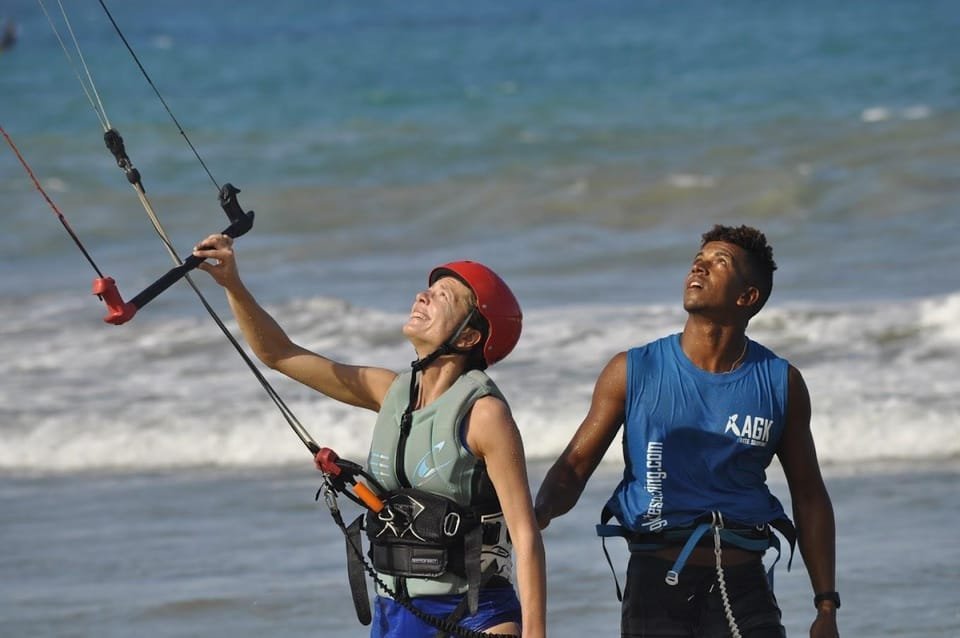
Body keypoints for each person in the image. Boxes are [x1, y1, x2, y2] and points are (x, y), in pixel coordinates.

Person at [193, 234, 546, 638]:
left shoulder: (485, 416)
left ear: (468, 337)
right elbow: (279, 354)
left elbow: (525, 535)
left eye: (443, 296)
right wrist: (232, 285)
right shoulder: (388, 390)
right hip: (394, 614)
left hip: (474, 613)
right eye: (427, 290)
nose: (422, 297)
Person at [534, 224, 838, 638]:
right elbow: (573, 468)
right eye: (700, 258)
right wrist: (536, 515)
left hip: (745, 586)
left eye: (719, 262)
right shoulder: (632, 370)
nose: (700, 265)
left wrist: (826, 605)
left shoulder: (780, 383)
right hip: (656, 587)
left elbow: (809, 494)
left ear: (746, 297)